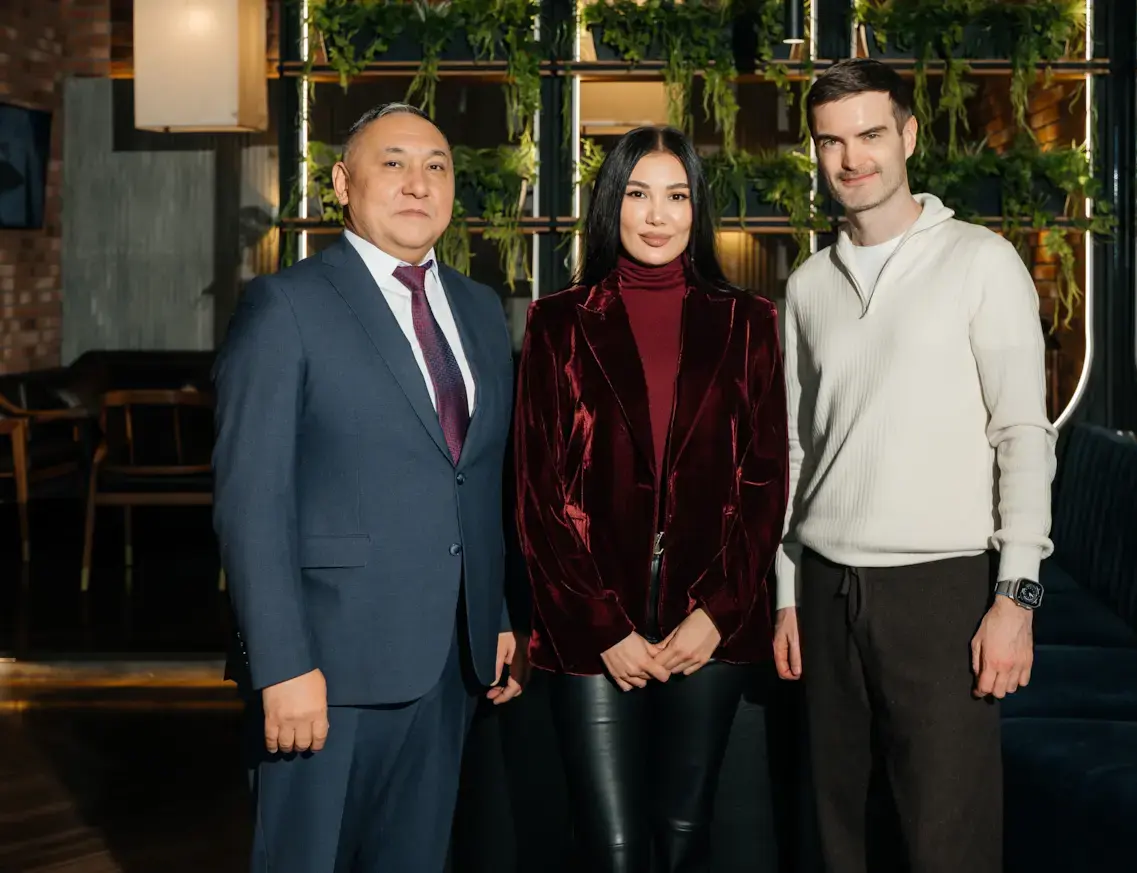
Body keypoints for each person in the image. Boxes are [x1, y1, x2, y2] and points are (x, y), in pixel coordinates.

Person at [213, 102, 527, 873]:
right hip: (326, 671)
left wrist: (494, 613)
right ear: (341, 183)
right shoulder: (287, 306)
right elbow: (251, 503)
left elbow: (479, 477)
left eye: (436, 166)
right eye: (393, 163)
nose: (418, 183)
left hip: (451, 665)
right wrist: (281, 664)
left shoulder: (480, 309)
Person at [771, 59, 1058, 873]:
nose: (851, 158)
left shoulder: (981, 261)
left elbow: (1023, 435)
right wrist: (787, 591)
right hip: (825, 588)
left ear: (909, 136)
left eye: (869, 135)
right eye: (831, 141)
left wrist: (1016, 596)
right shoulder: (808, 285)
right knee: (835, 839)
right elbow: (797, 446)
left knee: (946, 842)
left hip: (941, 591)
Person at [513, 124, 788, 873]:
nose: (658, 215)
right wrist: (603, 625)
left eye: (676, 196)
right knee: (614, 846)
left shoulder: (750, 322)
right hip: (592, 626)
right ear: (612, 204)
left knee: (683, 833)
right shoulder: (557, 322)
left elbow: (765, 484)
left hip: (710, 624)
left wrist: (717, 613)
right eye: (638, 194)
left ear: (698, 209)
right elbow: (537, 494)